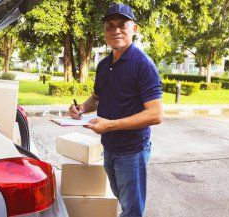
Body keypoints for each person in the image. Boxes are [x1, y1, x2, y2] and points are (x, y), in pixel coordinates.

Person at [68, 3, 163, 217]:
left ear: (134, 29)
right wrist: (81, 107)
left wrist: (110, 125)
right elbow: (97, 98)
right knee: (121, 198)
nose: (116, 30)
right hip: (109, 147)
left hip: (132, 150)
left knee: (132, 210)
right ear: (104, 32)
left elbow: (156, 114)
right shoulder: (104, 65)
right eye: (110, 26)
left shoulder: (143, 65)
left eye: (122, 25)